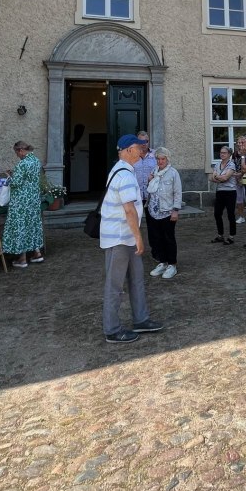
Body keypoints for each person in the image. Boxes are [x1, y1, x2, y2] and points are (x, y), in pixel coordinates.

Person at [100, 134, 164, 343]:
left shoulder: (124, 170)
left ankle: (141, 319)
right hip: (120, 237)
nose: (142, 151)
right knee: (115, 285)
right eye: (139, 147)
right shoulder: (125, 175)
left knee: (137, 279)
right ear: (128, 150)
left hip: (126, 236)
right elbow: (129, 210)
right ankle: (112, 329)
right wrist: (139, 238)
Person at [3, 142, 44, 267]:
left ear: (21, 150)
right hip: (33, 199)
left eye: (16, 153)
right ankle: (37, 253)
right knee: (32, 224)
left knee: (20, 226)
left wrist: (10, 176)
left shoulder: (23, 163)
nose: (17, 156)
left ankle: (22, 258)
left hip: (21, 201)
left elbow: (16, 183)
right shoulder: (36, 161)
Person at [146, 147, 183, 279]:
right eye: (158, 159)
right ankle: (162, 262)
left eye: (163, 159)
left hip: (167, 212)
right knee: (157, 239)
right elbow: (150, 190)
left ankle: (172, 264)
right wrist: (149, 180)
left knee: (169, 238)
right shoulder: (153, 172)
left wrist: (175, 211)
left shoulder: (173, 173)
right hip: (153, 211)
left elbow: (178, 193)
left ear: (167, 159)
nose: (160, 161)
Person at [211, 145, 239, 244]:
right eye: (221, 152)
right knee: (217, 213)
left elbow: (225, 178)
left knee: (231, 214)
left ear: (229, 154)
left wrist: (217, 177)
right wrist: (220, 177)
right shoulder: (217, 164)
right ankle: (220, 235)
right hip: (220, 192)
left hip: (230, 192)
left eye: (224, 153)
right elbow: (211, 178)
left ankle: (231, 236)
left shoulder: (231, 165)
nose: (222, 154)